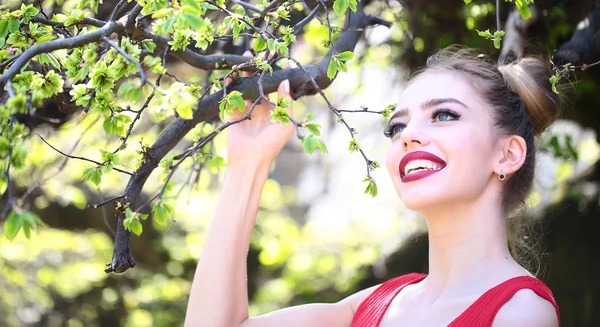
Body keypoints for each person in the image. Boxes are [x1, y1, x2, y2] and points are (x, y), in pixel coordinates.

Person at [185, 47, 562, 326]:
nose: (409, 136)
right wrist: (247, 163)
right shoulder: (374, 306)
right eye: (396, 127)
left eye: (443, 115)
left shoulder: (521, 313)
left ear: (507, 154)